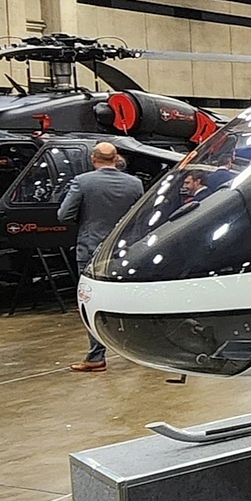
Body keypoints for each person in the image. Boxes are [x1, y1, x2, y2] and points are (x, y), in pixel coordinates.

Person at [58, 142, 145, 372]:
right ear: (116, 158)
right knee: (129, 301)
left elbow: (64, 214)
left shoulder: (82, 182)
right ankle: (138, 351)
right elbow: (140, 217)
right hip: (125, 250)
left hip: (91, 249)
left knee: (91, 301)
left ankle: (96, 356)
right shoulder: (135, 184)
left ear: (93, 159)